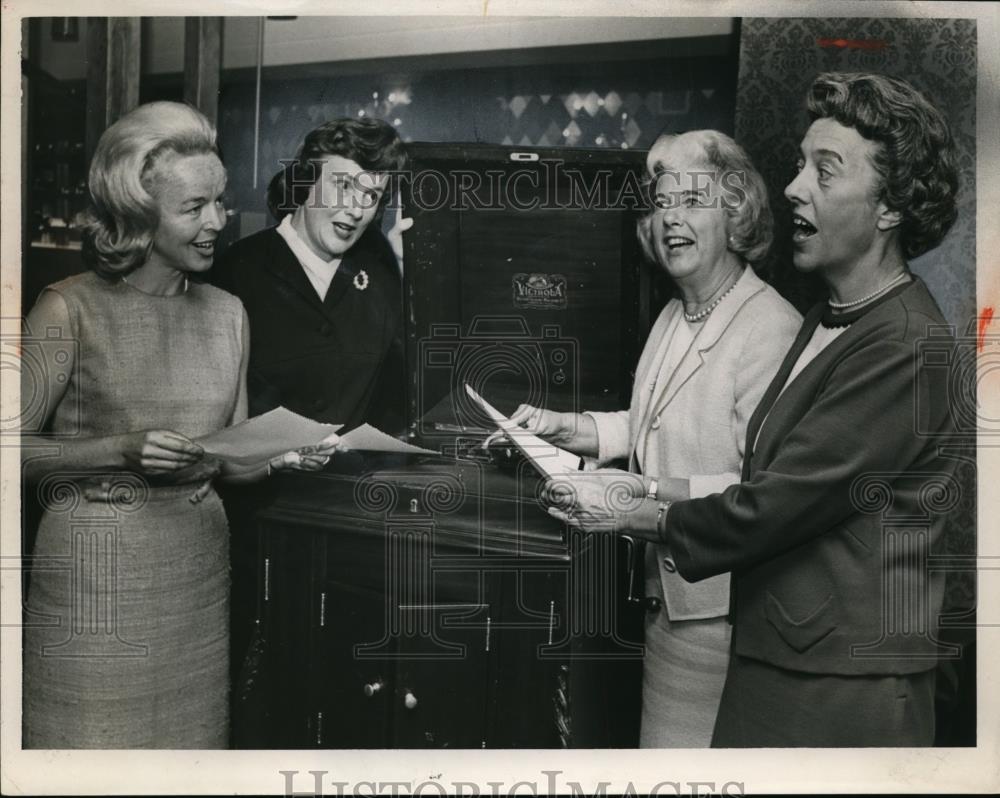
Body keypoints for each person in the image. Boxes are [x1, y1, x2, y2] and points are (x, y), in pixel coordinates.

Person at [546, 73, 961, 747]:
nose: (794, 186)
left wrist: (633, 509)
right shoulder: (834, 318)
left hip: (836, 689)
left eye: (823, 172)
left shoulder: (905, 343)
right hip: (780, 657)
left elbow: (773, 505)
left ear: (890, 207)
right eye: (800, 165)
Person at [20, 101, 332, 749]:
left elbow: (234, 459)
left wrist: (286, 453)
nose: (219, 221)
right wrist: (119, 451)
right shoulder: (67, 309)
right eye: (195, 207)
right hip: (94, 588)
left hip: (196, 583)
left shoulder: (228, 314)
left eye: (220, 201)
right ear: (137, 212)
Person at [505, 130, 801, 746]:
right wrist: (574, 428)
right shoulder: (678, 310)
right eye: (663, 204)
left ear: (736, 212)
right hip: (664, 599)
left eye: (693, 202)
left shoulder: (769, 327)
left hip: (721, 614)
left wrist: (640, 489)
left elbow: (764, 491)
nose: (672, 220)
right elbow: (652, 422)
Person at [212, 117, 410, 434]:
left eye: (370, 196)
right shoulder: (236, 270)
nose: (356, 210)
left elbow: (403, 397)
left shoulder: (382, 272)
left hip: (355, 480)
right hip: (266, 480)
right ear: (307, 183)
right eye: (343, 186)